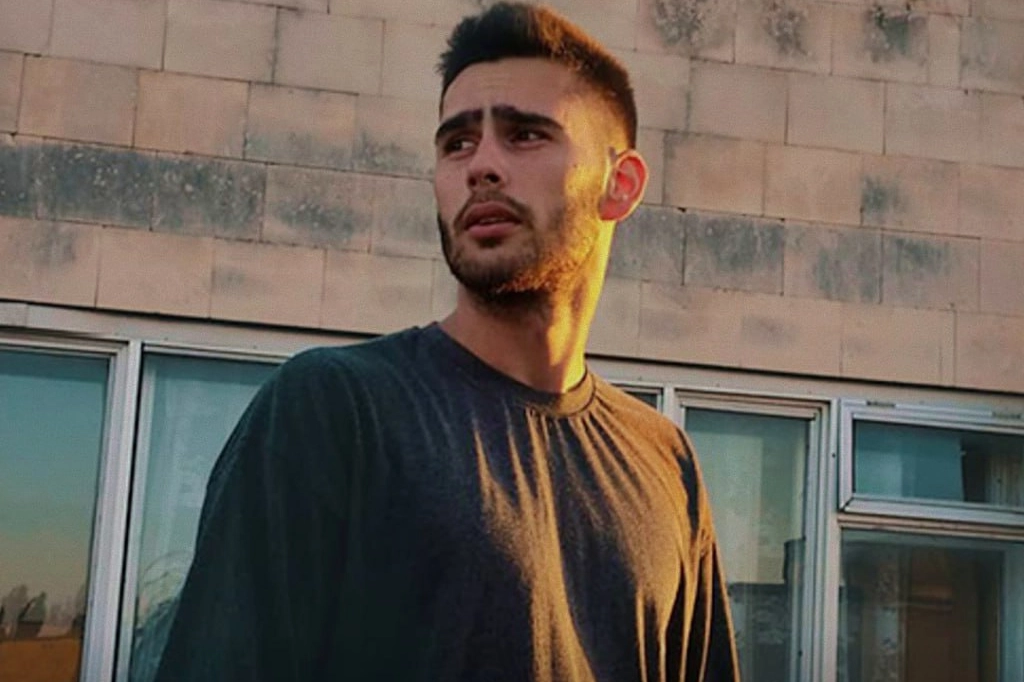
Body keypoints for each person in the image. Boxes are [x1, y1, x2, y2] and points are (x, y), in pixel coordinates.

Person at [153, 3, 740, 680]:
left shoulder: (665, 462)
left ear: (621, 184)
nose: (481, 165)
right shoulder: (335, 409)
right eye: (457, 143)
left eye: (525, 135)